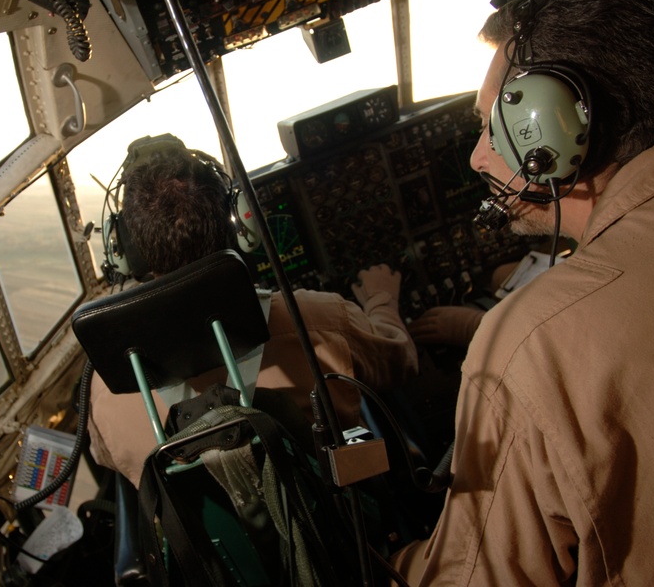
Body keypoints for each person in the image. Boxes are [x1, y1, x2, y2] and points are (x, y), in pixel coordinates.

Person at [392, 0, 654, 584]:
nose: (480, 156)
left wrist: (396, 558)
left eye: (496, 128)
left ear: (558, 130)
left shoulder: (533, 344)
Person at [86, 137, 419, 486]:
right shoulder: (318, 321)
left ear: (123, 250)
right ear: (238, 223)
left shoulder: (108, 388)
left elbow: (104, 457)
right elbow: (402, 362)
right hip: (350, 529)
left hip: (216, 543)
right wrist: (381, 299)